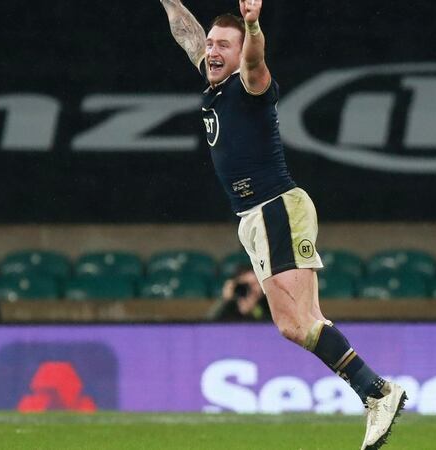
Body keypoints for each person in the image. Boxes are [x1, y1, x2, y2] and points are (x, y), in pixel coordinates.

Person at [159, 2, 406, 448]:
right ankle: (375, 392)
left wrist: (252, 25)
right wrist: (171, 2)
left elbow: (255, 58)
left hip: (274, 207)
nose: (212, 51)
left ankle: (378, 392)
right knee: (301, 323)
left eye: (223, 46)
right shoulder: (214, 77)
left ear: (239, 54)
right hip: (260, 215)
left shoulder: (250, 83)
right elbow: (189, 37)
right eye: (212, 44)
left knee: (297, 323)